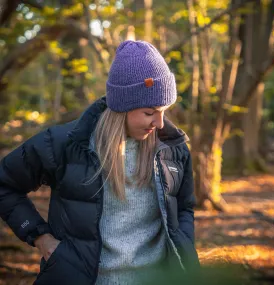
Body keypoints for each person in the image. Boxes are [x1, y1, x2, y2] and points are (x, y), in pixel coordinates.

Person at [0, 40, 199, 285]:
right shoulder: (66, 145)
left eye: (164, 111)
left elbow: (184, 207)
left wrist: (185, 253)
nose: (159, 123)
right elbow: (5, 184)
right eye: (149, 112)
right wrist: (41, 238)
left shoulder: (173, 148)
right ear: (122, 106)